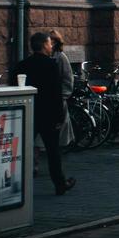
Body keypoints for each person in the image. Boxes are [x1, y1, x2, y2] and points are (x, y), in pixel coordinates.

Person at [13, 31, 75, 196]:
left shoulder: (22, 65)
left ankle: (14, 183)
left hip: (28, 114)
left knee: (23, 150)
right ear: (43, 45)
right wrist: (59, 117)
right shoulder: (51, 65)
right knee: (53, 152)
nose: (51, 46)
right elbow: (55, 94)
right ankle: (60, 184)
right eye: (49, 43)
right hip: (48, 116)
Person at [49, 30, 74, 147]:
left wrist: (63, 96)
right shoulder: (48, 56)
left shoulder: (60, 57)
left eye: (52, 40)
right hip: (51, 97)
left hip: (58, 98)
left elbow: (68, 78)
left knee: (60, 126)